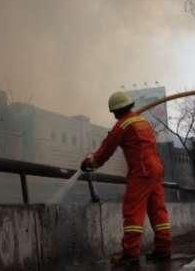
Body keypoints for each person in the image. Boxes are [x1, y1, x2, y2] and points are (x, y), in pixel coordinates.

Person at [80, 91, 171, 266]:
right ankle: (164, 250)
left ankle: (130, 255)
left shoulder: (122, 125)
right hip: (156, 169)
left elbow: (105, 150)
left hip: (142, 171)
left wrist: (90, 163)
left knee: (133, 211)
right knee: (158, 210)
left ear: (115, 111)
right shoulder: (143, 122)